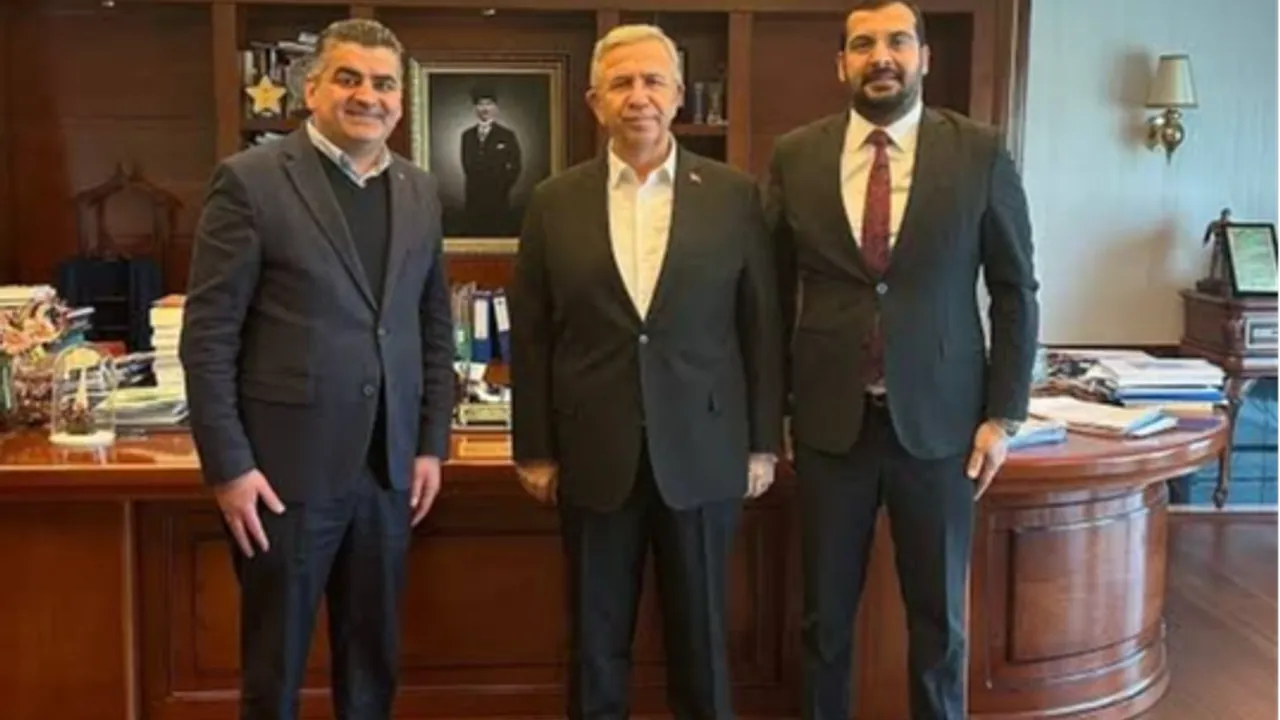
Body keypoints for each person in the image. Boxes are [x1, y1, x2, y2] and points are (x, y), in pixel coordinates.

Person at [763, 1, 1039, 718]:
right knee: (823, 622)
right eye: (862, 44)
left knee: (940, 624)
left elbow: (1014, 290)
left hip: (944, 430)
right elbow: (769, 295)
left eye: (897, 41)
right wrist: (771, 412)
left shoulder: (980, 151)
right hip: (830, 427)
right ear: (841, 64)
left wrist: (1004, 415)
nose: (880, 56)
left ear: (924, 57)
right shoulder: (796, 155)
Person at [179, 18, 455, 720]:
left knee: (371, 667)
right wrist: (229, 468)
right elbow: (208, 337)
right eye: (349, 78)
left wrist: (430, 443)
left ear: (401, 100)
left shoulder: (420, 190)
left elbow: (430, 328)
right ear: (312, 88)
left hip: (388, 472)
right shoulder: (251, 181)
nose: (368, 95)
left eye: (384, 83)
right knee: (275, 672)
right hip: (283, 478)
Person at [508, 23, 783, 720]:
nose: (639, 97)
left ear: (679, 95)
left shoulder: (733, 196)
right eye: (621, 83)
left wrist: (762, 442)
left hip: (704, 449)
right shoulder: (552, 201)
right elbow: (532, 334)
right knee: (596, 639)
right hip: (592, 452)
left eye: (653, 81)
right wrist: (533, 447)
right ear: (594, 101)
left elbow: (760, 325)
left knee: (701, 639)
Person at [460, 84, 522, 236]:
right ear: (475, 108)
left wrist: (503, 186)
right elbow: (466, 165)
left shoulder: (506, 135)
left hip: (498, 199)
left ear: (495, 108)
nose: (485, 108)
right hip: (474, 199)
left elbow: (516, 165)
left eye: (488, 104)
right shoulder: (467, 136)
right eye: (481, 104)